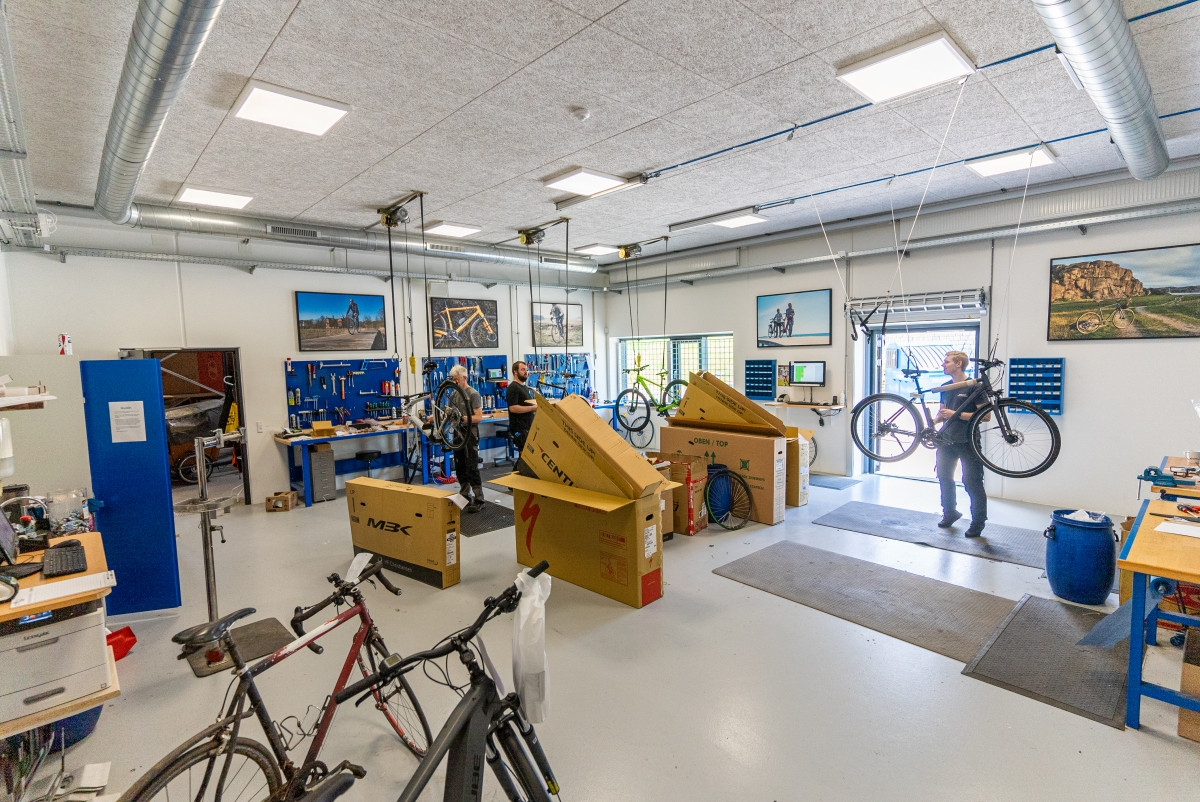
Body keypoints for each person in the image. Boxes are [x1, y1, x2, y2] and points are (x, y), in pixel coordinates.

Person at [935, 351, 987, 537]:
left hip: (968, 440)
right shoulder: (945, 387)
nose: (943, 365)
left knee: (972, 482)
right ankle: (950, 513)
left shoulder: (975, 387)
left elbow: (986, 416)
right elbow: (942, 413)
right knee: (944, 478)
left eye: (947, 362)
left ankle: (978, 522)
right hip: (946, 439)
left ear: (958, 364)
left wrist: (956, 414)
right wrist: (934, 421)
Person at [447, 365, 485, 513]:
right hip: (457, 434)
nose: (454, 382)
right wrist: (436, 416)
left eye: (456, 379)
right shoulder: (454, 395)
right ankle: (464, 495)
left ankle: (479, 499)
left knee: (471, 466)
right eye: (453, 379)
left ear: (464, 378)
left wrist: (462, 418)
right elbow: (449, 413)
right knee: (460, 465)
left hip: (470, 434)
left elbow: (478, 417)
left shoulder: (473, 394)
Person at [505, 361, 537, 457]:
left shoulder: (524, 387)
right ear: (515, 372)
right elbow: (513, 408)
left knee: (529, 456)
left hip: (527, 426)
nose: (526, 372)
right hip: (519, 428)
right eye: (522, 370)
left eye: (526, 370)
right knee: (525, 455)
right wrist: (532, 408)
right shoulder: (513, 387)